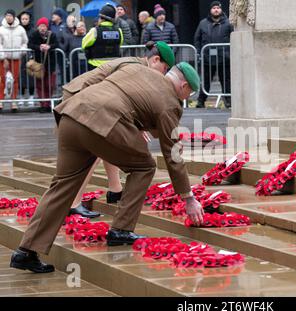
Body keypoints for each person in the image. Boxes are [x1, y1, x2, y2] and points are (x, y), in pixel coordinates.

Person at [9, 61, 204, 274]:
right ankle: (121, 229)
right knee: (145, 166)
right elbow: (172, 155)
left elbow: (105, 83)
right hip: (101, 123)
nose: (186, 99)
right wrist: (188, 197)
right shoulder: (170, 102)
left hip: (71, 114)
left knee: (62, 185)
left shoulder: (137, 69)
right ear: (184, 86)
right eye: (190, 94)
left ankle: (26, 251)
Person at [62, 41, 176, 218]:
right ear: (155, 60)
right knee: (92, 150)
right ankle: (73, 203)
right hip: (82, 97)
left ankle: (115, 189)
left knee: (109, 140)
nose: (164, 75)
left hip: (91, 99)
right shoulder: (137, 68)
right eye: (165, 68)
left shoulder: (138, 65)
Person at [194, 1, 233, 108]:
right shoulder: (203, 23)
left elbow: (233, 38)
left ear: (221, 10)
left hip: (224, 58)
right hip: (207, 58)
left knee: (226, 81)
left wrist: (230, 53)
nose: (216, 10)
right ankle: (201, 101)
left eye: (218, 8)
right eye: (214, 8)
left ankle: (228, 102)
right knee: (205, 81)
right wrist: (199, 52)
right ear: (210, 10)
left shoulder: (228, 23)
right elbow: (197, 39)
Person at [0, 9, 28, 112]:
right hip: (4, 59)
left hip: (16, 58)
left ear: (14, 17)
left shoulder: (20, 29)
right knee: (2, 80)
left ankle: (14, 102)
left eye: (10, 16)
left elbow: (25, 42)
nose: (8, 17)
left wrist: (21, 51)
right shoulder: (1, 29)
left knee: (15, 80)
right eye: (7, 16)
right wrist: (3, 57)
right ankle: (1, 101)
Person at [28, 17, 58, 112]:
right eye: (41, 26)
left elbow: (57, 44)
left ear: (47, 27)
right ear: (38, 27)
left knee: (49, 84)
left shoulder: (52, 35)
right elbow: (30, 45)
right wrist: (39, 47)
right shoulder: (34, 35)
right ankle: (43, 104)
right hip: (38, 64)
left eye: (44, 26)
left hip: (50, 63)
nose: (42, 28)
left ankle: (48, 103)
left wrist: (49, 46)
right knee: (40, 85)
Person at [82, 4, 123, 71]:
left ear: (101, 18)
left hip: (96, 67)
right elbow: (119, 44)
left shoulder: (94, 31)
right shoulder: (119, 31)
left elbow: (84, 44)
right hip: (114, 67)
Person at [18, 11, 35, 106]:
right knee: (21, 76)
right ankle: (21, 96)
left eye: (26, 19)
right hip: (20, 56)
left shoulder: (33, 30)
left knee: (31, 76)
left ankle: (31, 96)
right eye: (23, 19)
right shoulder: (18, 29)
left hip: (31, 56)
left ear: (29, 19)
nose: (24, 21)